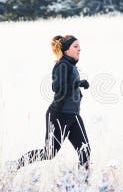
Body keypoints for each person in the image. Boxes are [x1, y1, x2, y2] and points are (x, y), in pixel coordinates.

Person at [14, 34, 91, 172]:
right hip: (59, 115)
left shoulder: (71, 66)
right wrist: (77, 84)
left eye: (79, 46)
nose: (80, 49)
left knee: (85, 151)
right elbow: (57, 88)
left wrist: (77, 92)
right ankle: (15, 165)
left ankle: (80, 187)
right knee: (49, 153)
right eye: (76, 46)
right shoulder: (62, 65)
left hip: (73, 115)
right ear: (67, 50)